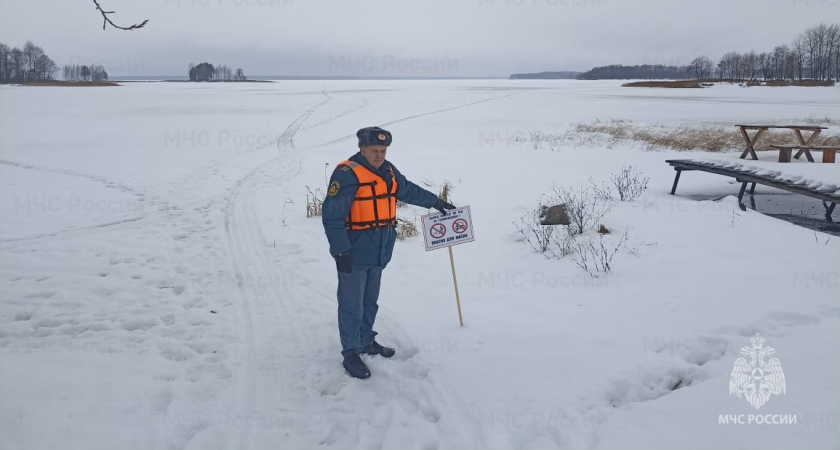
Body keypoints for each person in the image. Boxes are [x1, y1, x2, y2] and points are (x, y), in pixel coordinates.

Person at [321, 126, 456, 379]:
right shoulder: (347, 174)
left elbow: (406, 189)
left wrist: (434, 201)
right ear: (362, 149)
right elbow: (331, 217)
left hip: (380, 249)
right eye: (374, 151)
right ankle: (351, 352)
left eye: (383, 151)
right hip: (354, 249)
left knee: (370, 300)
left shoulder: (388, 170)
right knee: (352, 304)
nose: (379, 155)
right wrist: (341, 252)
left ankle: (365, 339)